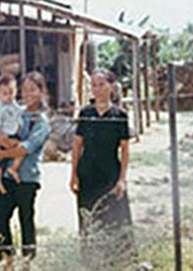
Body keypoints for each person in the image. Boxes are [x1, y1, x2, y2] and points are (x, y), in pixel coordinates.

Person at [70, 68, 134, 269]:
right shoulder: (85, 113)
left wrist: (122, 179)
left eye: (101, 84)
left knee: (115, 217)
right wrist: (73, 174)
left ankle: (119, 262)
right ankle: (91, 262)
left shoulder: (119, 115)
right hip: (87, 173)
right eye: (94, 85)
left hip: (110, 174)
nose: (97, 89)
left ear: (111, 87)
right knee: (88, 217)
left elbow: (124, 150)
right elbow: (77, 145)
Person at [0, 71, 50, 270]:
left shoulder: (41, 122)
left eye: (32, 89)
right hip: (8, 175)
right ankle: (8, 259)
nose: (28, 94)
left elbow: (26, 148)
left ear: (42, 92)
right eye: (24, 90)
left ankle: (27, 262)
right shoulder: (15, 112)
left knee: (26, 219)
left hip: (27, 178)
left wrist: (1, 154)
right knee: (0, 217)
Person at [0, 74, 24, 193]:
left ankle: (13, 169)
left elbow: (21, 116)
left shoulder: (16, 106)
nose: (9, 96)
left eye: (11, 92)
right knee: (1, 158)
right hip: (5, 134)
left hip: (14, 133)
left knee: (20, 150)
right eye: (5, 93)